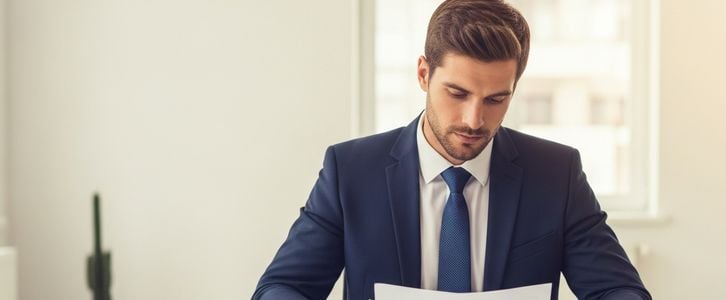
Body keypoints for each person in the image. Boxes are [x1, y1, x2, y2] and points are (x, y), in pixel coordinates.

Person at [252, 0, 651, 299]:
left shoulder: (556, 173)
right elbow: (284, 286)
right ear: (424, 73)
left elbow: (617, 290)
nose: (474, 120)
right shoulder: (351, 171)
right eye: (457, 93)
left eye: (496, 99)